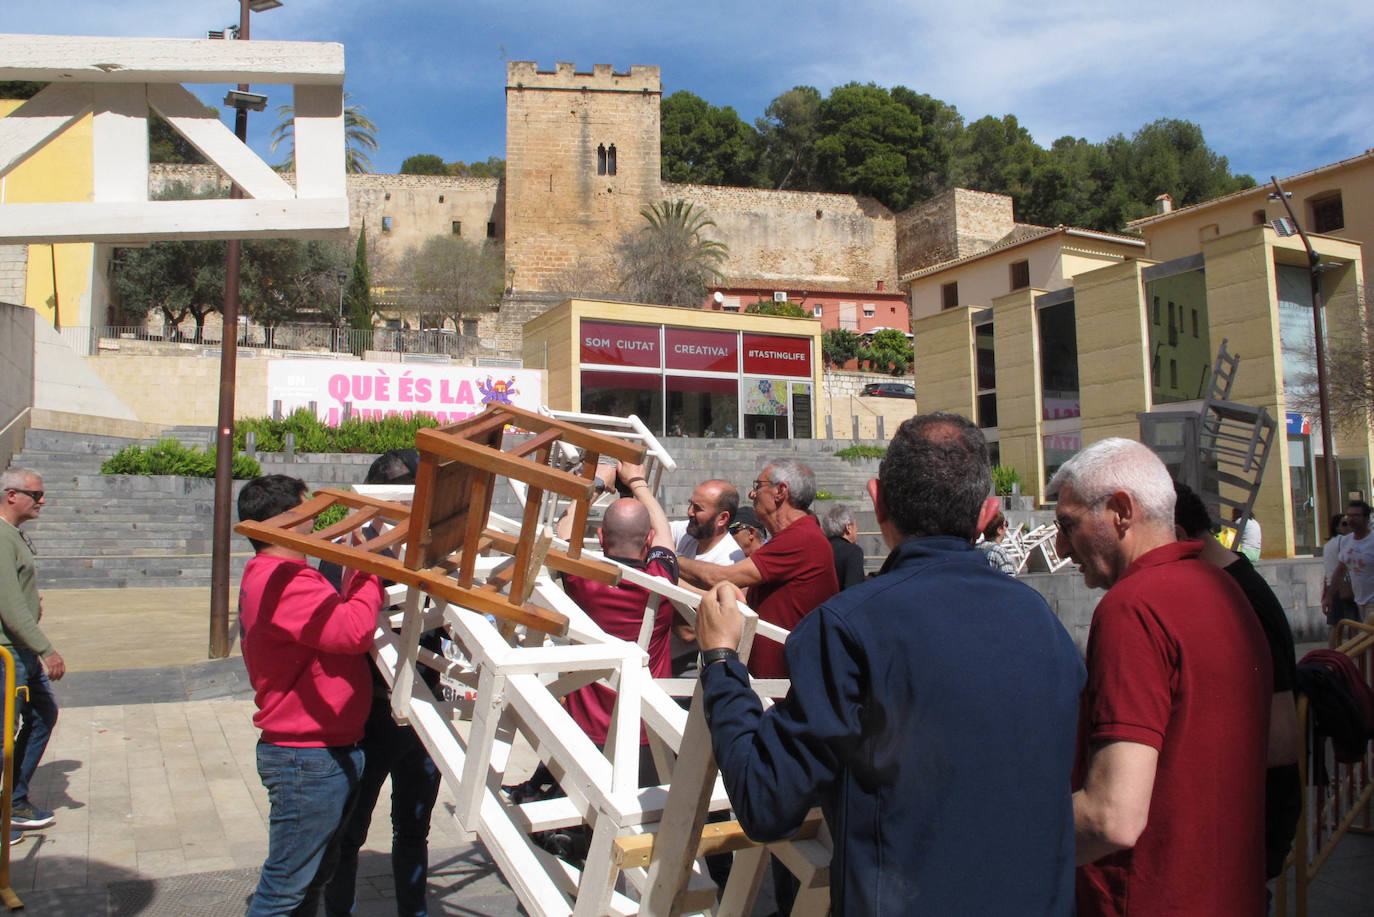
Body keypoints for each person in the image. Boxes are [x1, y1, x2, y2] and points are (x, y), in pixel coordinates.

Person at [695, 413, 1085, 915]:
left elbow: (765, 801)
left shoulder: (847, 628)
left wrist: (721, 660)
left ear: (877, 501)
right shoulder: (1045, 625)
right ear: (987, 512)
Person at [1047, 439, 1271, 916]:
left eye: (1067, 526)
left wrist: (1000, 836)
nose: (1062, 548)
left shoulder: (1133, 607)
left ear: (1121, 511)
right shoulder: (1227, 591)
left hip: (1149, 897)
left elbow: (1113, 818)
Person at [238, 474, 384, 916]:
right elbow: (352, 630)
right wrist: (366, 567)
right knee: (285, 889)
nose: (317, 521)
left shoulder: (288, 574)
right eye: (308, 512)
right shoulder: (280, 578)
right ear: (286, 521)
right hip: (307, 757)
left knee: (312, 880)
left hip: (325, 750)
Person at [325, 450, 444, 917]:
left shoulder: (432, 550)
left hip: (422, 713)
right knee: (350, 832)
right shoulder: (345, 554)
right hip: (370, 715)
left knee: (412, 829)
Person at [1173, 481, 1300, 883]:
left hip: (1242, 836)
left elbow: (1280, 742)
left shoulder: (1240, 599)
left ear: (1176, 537)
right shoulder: (1225, 587)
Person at [556, 460, 677, 784]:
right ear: (648, 540)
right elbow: (666, 535)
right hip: (648, 728)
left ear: (599, 535)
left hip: (587, 729)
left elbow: (563, 532)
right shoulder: (662, 583)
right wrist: (637, 481)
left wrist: (596, 482)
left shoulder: (582, 580)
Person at [678, 459, 838, 678]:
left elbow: (721, 577)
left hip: (783, 685)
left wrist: (667, 560)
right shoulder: (796, 537)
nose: (752, 495)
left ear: (780, 491)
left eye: (757, 486)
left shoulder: (802, 538)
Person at [0, 468, 65, 846]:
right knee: (4, 734)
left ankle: (14, 800)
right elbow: (9, 605)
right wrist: (47, 649)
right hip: (9, 654)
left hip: (20, 650)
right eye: (36, 495)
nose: (42, 501)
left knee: (43, 714)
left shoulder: (13, 536)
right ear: (12, 495)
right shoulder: (2, 537)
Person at [667, 479, 744, 674]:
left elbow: (689, 632)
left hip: (691, 663)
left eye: (698, 508)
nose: (689, 512)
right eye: (690, 504)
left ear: (722, 519)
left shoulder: (730, 558)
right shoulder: (685, 532)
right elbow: (648, 531)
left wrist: (664, 571)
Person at [1324, 499, 1374, 621]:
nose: (1351, 519)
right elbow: (1341, 570)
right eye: (1349, 515)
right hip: (1360, 600)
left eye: (1356, 515)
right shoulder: (1346, 541)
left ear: (1366, 519)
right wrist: (1329, 596)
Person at [1322, 512, 1360, 627]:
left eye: (1349, 523)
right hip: (1344, 586)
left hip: (1331, 586)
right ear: (1336, 527)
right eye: (1344, 524)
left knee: (1335, 624)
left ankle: (1334, 646)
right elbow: (1346, 564)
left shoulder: (1327, 545)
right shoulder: (1344, 541)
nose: (1348, 526)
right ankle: (1354, 644)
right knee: (1354, 622)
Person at [819, 503, 865, 590]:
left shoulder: (819, 550)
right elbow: (854, 590)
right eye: (855, 525)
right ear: (848, 528)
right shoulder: (853, 552)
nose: (857, 530)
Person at [977, 509, 1018, 575]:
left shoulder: (975, 548)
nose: (1006, 528)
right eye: (1006, 524)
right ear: (999, 530)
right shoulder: (1001, 553)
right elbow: (1010, 582)